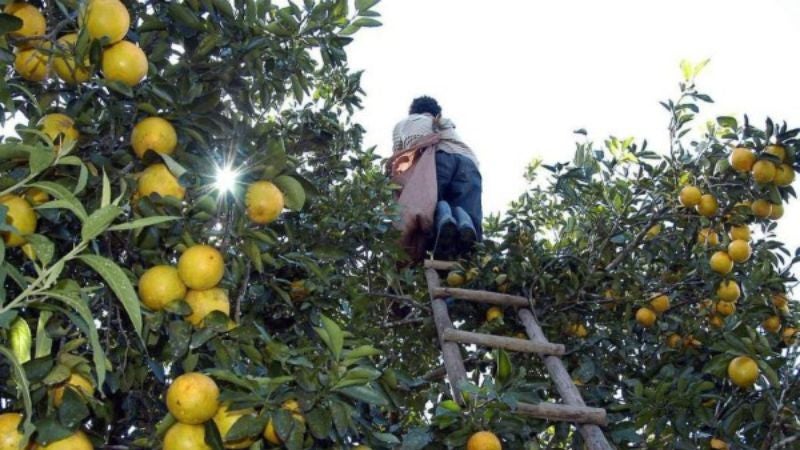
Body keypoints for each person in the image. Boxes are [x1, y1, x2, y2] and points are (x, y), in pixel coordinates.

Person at [392, 96, 482, 259]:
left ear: (413, 111)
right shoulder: (447, 124)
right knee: (466, 208)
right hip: (469, 162)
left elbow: (399, 160)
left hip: (438, 158)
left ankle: (444, 223)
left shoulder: (406, 123)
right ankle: (467, 234)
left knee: (429, 204)